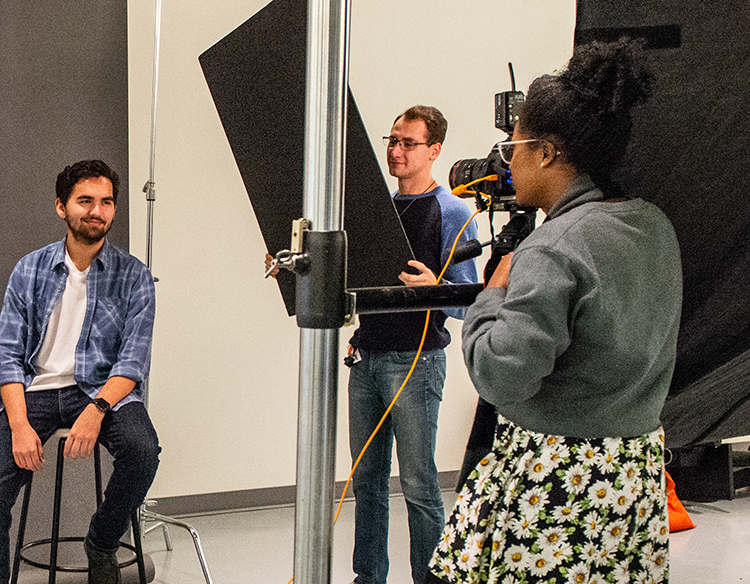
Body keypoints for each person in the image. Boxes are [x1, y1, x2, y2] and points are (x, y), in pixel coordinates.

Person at [426, 40, 682, 583]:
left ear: (546, 152)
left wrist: (492, 294)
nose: (507, 159)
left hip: (557, 486)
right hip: (631, 479)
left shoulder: (551, 248)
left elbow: (501, 375)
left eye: (513, 145)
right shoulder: (653, 226)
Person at [0, 160, 160, 584]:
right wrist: (18, 424)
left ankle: (103, 541)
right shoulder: (29, 270)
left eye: (106, 202)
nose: (97, 211)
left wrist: (98, 409)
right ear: (61, 207)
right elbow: (8, 355)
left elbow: (133, 359)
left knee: (143, 451)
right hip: (36, 389)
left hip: (103, 389)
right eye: (85, 201)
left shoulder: (134, 276)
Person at [346, 105, 478, 584]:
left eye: (408, 143)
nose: (395, 150)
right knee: (367, 482)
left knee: (420, 484)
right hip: (366, 359)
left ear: (434, 151)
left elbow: (468, 303)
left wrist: (433, 290)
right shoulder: (372, 207)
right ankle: (369, 578)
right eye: (392, 140)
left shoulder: (454, 212)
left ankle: (429, 578)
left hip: (416, 362)